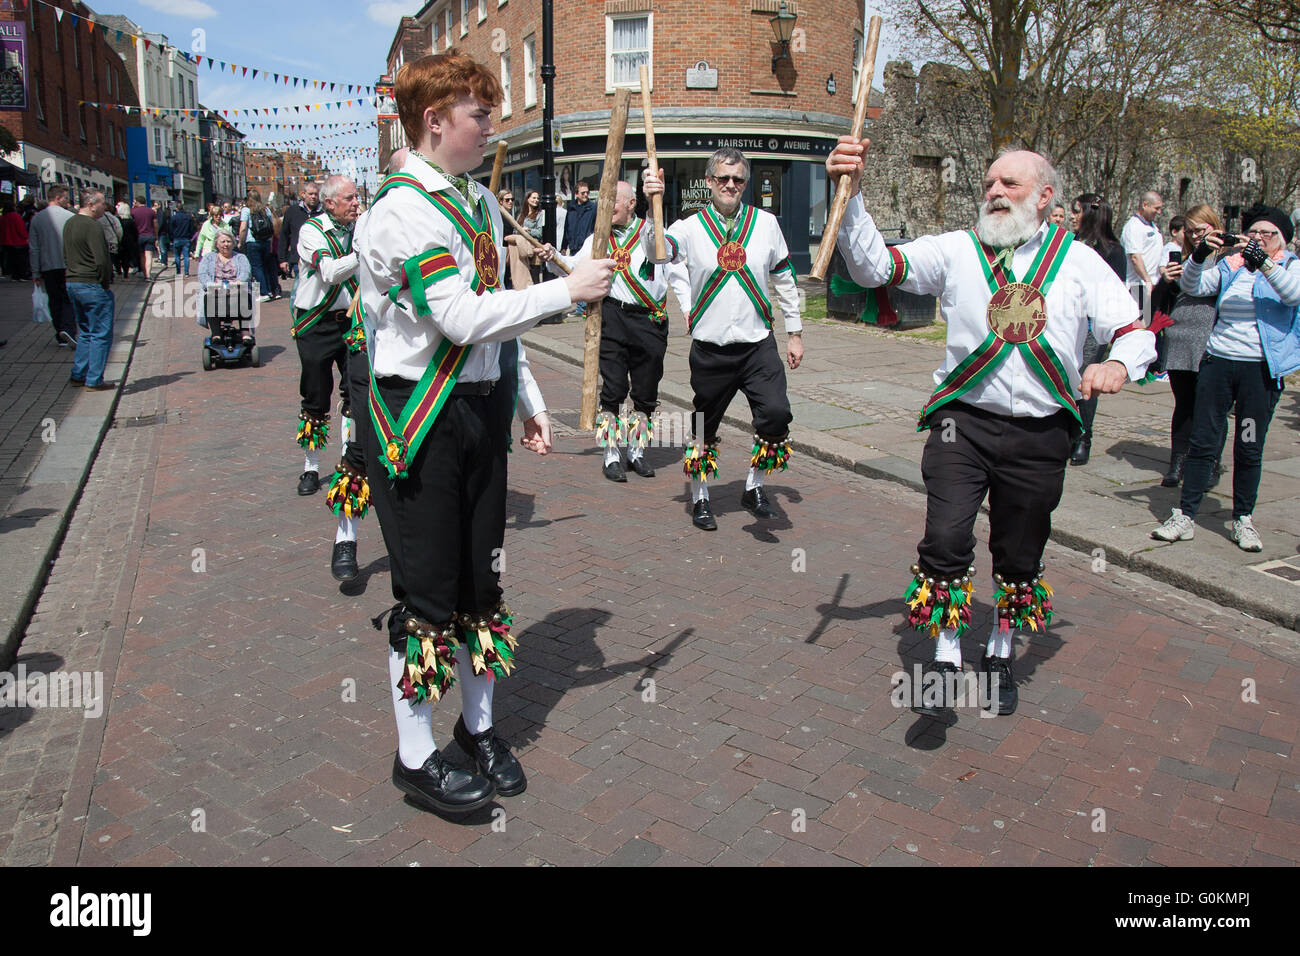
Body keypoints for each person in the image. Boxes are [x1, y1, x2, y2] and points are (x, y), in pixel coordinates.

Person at [355, 50, 613, 817]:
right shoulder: (401, 210)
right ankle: (414, 756)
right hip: (417, 422)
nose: (492, 126)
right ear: (435, 121)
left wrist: (527, 394)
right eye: (481, 115)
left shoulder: (473, 201)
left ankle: (478, 730)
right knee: (429, 595)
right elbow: (460, 317)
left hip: (478, 410)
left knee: (481, 584)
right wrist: (565, 291)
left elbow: (496, 318)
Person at [827, 137, 1154, 717]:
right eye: (989, 185)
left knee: (1019, 552)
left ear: (1047, 197)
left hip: (1042, 433)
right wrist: (849, 194)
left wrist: (1117, 363)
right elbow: (877, 265)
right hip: (963, 426)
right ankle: (948, 652)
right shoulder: (957, 249)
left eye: (1011, 184)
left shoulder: (1078, 262)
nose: (995, 193)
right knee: (947, 537)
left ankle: (1000, 651)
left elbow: (1134, 328)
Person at [642, 146, 803, 530]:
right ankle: (700, 497)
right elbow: (656, 253)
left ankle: (754, 487)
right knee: (703, 427)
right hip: (711, 351)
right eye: (723, 178)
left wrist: (794, 332)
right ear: (709, 182)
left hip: (757, 346)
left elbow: (784, 279)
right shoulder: (688, 228)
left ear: (745, 184)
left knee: (776, 415)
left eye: (738, 179)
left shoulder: (765, 224)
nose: (730, 185)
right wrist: (652, 209)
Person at [1152, 205, 1300, 553]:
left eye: (1268, 234)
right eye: (1255, 233)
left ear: (1282, 240)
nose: (1260, 239)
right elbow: (1194, 285)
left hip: (1258, 371)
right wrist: (1201, 253)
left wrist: (1263, 262)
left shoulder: (1289, 266)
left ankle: (1243, 517)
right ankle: (1185, 515)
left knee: (1249, 444)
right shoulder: (1232, 264)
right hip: (1219, 363)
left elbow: (1292, 295)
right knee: (1203, 439)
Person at [541, 180, 671, 482]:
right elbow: (573, 267)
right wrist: (553, 257)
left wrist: (691, 309)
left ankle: (637, 450)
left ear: (631, 203)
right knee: (613, 389)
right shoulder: (598, 239)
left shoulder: (653, 232)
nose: (608, 204)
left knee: (646, 392)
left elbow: (675, 272)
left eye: (615, 199)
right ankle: (611, 452)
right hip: (611, 316)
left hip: (649, 320)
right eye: (605, 199)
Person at [1154, 205, 1225, 488]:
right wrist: (1165, 281)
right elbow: (1151, 306)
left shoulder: (1225, 259)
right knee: (1184, 405)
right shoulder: (1182, 260)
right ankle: (1177, 463)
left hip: (1210, 338)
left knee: (1211, 407)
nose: (1196, 236)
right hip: (1180, 337)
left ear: (1213, 226)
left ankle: (1210, 463)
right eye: (1191, 231)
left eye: (1201, 230)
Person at [1067, 192, 1127, 465]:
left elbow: (1116, 295)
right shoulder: (1069, 244)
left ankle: (1083, 436)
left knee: (1084, 382)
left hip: (1091, 326)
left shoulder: (1113, 251)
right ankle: (1064, 431)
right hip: (1067, 321)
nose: (1072, 216)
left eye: (1077, 211)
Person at [64, 189, 117, 390]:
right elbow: (102, 260)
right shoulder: (92, 226)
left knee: (85, 331)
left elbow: (66, 254)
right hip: (92, 284)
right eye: (103, 203)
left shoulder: (70, 223)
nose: (105, 206)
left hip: (73, 282)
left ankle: (79, 373)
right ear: (92, 204)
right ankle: (94, 379)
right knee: (100, 333)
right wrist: (105, 282)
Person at [28, 185, 77, 348]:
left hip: (47, 266)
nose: (67, 200)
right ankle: (69, 329)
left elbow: (34, 247)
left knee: (54, 299)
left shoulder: (37, 219)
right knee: (68, 298)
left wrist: (35, 271)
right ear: (57, 198)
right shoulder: (70, 216)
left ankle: (60, 332)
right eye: (65, 197)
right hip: (68, 265)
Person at [196, 227, 252, 331]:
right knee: (209, 296)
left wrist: (239, 282)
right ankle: (216, 332)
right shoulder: (208, 258)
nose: (226, 244)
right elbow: (202, 274)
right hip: (215, 290)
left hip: (236, 290)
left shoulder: (241, 257)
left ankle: (245, 331)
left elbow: (246, 272)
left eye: (229, 241)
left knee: (244, 294)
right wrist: (210, 285)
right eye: (223, 241)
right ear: (217, 244)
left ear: (233, 243)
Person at [1121, 190, 1164, 311]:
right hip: (1139, 286)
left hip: (1151, 285)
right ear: (1145, 205)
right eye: (1157, 208)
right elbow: (1135, 257)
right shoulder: (1133, 227)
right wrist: (1148, 281)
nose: (1159, 212)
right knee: (1141, 326)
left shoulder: (1152, 226)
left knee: (1152, 325)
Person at [562, 180, 597, 317]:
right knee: (575, 275)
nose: (586, 195)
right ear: (576, 194)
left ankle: (582, 308)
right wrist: (564, 246)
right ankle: (581, 306)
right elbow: (567, 228)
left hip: (586, 245)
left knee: (584, 275)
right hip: (574, 245)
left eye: (587, 192)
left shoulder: (592, 208)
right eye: (583, 193)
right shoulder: (571, 209)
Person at [279, 181, 322, 281]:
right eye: (310, 194)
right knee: (298, 292)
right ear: (303, 194)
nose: (313, 197)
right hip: (298, 259)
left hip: (319, 258)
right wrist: (282, 259)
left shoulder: (323, 213)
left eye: (316, 194)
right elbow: (284, 236)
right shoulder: (292, 211)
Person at [498, 187, 536, 291]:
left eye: (512, 199)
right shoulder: (499, 216)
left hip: (509, 253)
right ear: (500, 201)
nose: (510, 202)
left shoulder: (508, 215)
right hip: (503, 253)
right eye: (507, 200)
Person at [240, 188, 276, 301]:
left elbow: (243, 228)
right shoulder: (266, 210)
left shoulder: (246, 210)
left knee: (256, 267)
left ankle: (263, 292)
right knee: (265, 266)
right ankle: (269, 290)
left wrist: (241, 242)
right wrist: (270, 243)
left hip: (252, 242)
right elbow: (271, 227)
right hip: (265, 241)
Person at [520, 189, 545, 284]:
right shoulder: (522, 214)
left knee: (535, 278)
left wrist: (528, 230)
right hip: (523, 250)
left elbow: (540, 232)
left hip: (534, 250)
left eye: (538, 198)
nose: (536, 200)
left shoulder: (540, 214)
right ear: (527, 199)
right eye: (534, 198)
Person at [1, 199, 30, 280]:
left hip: (7, 242)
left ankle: (15, 275)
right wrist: (26, 237)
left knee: (12, 260)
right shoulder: (16, 216)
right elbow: (21, 229)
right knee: (21, 260)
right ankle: (22, 275)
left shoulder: (3, 217)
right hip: (18, 241)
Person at [131, 196, 157, 279]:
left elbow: (132, 224)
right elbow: (155, 224)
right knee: (149, 256)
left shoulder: (133, 212)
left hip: (139, 236)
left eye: (134, 202)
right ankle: (149, 275)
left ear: (137, 202)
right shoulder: (151, 211)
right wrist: (156, 236)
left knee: (142, 256)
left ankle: (145, 274)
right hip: (150, 235)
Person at [169, 205, 195, 278]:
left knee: (177, 256)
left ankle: (178, 272)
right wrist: (190, 236)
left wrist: (171, 238)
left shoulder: (173, 218)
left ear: (176, 209)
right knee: (186, 256)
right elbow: (192, 229)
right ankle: (186, 272)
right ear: (183, 208)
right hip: (186, 238)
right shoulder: (188, 217)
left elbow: (170, 229)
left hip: (176, 238)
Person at [156, 200, 172, 271]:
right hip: (162, 233)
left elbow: (160, 223)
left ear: (159, 206)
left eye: (156, 205)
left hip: (161, 233)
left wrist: (157, 232)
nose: (154, 207)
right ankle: (163, 260)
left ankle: (164, 261)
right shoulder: (160, 213)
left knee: (162, 248)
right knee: (161, 247)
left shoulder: (160, 213)